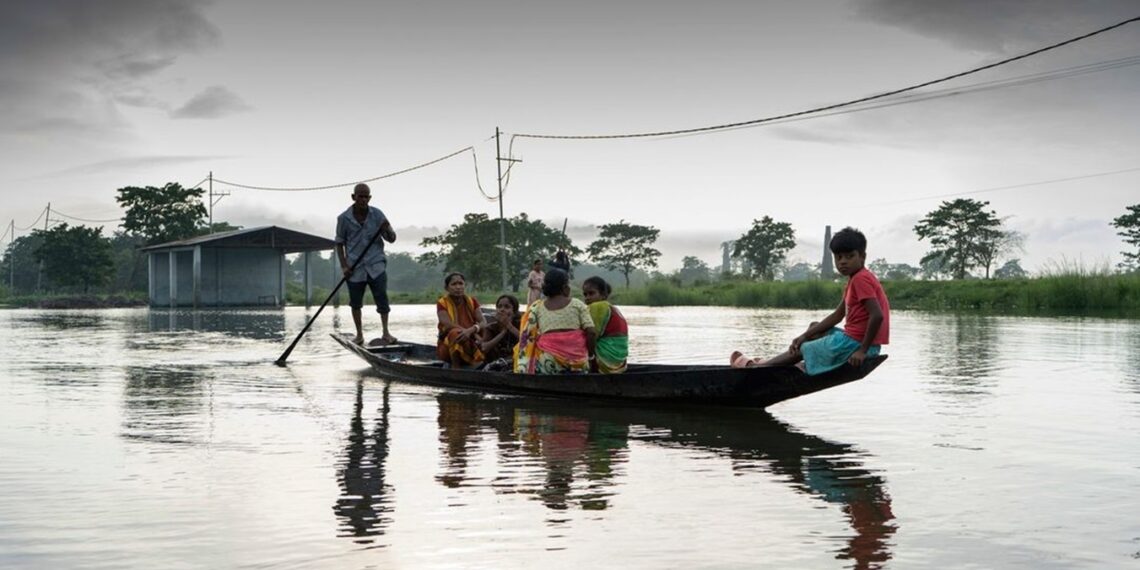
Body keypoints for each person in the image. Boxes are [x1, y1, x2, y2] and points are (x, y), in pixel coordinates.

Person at [730, 227, 889, 373]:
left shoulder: (860, 280)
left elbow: (877, 315)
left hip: (857, 345)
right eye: (838, 257)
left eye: (850, 256)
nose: (843, 262)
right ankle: (779, 362)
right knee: (814, 328)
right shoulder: (856, 279)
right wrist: (804, 335)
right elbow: (837, 315)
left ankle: (759, 368)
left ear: (862, 257)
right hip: (856, 341)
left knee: (805, 348)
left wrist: (862, 351)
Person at [336, 183, 397, 345]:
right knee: (355, 303)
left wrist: (386, 228)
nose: (363, 199)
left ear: (369, 198)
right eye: (360, 196)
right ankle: (359, 334)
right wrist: (344, 266)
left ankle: (386, 332)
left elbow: (391, 239)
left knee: (382, 299)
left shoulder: (377, 215)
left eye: (366, 197)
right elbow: (339, 243)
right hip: (354, 268)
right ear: (353, 197)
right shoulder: (343, 218)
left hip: (376, 265)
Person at [514, 268, 596, 374]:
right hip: (578, 362)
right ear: (565, 287)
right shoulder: (577, 304)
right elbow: (591, 332)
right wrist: (591, 356)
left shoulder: (537, 307)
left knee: (534, 345)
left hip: (548, 362)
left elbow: (528, 335)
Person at [436, 272, 487, 368]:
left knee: (487, 330)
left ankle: (479, 361)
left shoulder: (472, 301)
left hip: (471, 340)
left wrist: (471, 330)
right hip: (448, 346)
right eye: (454, 284)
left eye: (460, 283)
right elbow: (448, 324)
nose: (458, 287)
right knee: (455, 333)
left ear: (464, 285)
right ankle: (456, 367)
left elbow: (483, 322)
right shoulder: (442, 303)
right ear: (447, 288)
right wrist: (468, 332)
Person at [581, 276, 628, 374]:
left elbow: (592, 335)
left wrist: (590, 357)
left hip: (605, 362)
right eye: (585, 294)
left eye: (591, 293)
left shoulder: (598, 306)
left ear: (603, 295)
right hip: (620, 363)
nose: (587, 298)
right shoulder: (613, 308)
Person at [479, 294, 522, 368]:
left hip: (516, 364)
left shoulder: (521, 325)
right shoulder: (491, 327)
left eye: (507, 307)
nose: (502, 310)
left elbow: (527, 341)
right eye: (499, 307)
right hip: (493, 365)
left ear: (514, 312)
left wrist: (509, 326)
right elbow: (484, 348)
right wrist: (503, 332)